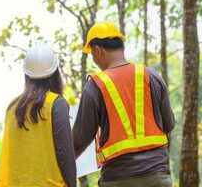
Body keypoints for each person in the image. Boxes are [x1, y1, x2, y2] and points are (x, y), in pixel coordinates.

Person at [72, 21, 175, 187]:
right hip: (157, 176)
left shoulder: (95, 86)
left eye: (92, 54)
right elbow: (168, 126)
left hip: (117, 179)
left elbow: (77, 142)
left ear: (97, 51)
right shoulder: (152, 76)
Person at [0, 43, 76, 187]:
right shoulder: (56, 104)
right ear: (54, 73)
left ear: (27, 74)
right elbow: (65, 154)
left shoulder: (12, 108)